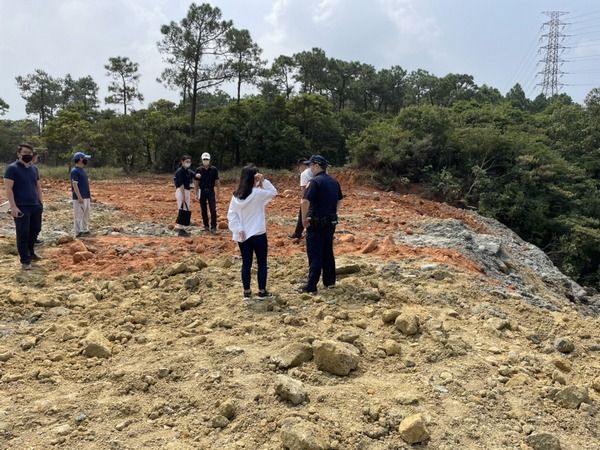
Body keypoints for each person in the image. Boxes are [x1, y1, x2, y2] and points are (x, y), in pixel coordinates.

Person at [227, 164, 278, 300]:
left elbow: (231, 215)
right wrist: (264, 181)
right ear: (254, 177)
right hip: (258, 233)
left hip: (243, 235)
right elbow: (274, 192)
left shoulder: (236, 196)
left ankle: (247, 292)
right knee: (262, 263)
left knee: (246, 263)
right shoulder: (258, 194)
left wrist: (238, 229)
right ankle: (262, 292)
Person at [299, 155, 343, 294]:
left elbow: (304, 201)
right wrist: (332, 211)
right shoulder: (334, 181)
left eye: (310, 165)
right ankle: (329, 282)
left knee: (315, 254)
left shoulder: (314, 182)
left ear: (316, 166)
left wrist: (304, 219)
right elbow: (340, 200)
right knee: (327, 252)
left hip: (316, 222)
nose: (309, 168)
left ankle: (311, 285)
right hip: (330, 222)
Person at [3, 143, 44, 270]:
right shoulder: (12, 168)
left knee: (35, 230)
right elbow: (8, 189)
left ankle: (30, 252)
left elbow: (38, 186)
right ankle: (25, 260)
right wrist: (13, 206)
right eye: (25, 152)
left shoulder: (34, 169)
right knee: (23, 233)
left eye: (30, 153)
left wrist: (41, 203)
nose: (27, 155)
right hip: (21, 206)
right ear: (18, 154)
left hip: (35, 205)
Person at [194, 152, 220, 233]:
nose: (206, 160)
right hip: (202, 192)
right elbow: (196, 183)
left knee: (213, 209)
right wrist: (196, 193)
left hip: (211, 191)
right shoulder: (198, 170)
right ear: (202, 160)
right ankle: (206, 226)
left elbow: (217, 182)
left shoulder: (214, 169)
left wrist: (218, 193)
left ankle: (214, 226)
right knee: (203, 209)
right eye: (204, 159)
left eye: (207, 159)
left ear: (209, 160)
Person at [288, 158, 313, 241]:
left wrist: (303, 201)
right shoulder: (320, 171)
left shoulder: (304, 174)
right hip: (320, 199)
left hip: (308, 199)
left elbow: (304, 189)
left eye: (299, 167)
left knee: (302, 215)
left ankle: (297, 234)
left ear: (302, 165)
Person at [70, 151, 92, 237]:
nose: (86, 160)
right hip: (80, 197)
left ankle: (85, 229)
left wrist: (89, 196)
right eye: (85, 158)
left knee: (86, 214)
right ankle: (78, 232)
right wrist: (79, 197)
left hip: (86, 196)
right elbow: (74, 184)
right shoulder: (74, 171)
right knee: (79, 215)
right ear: (80, 159)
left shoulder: (82, 170)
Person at [174, 155, 194, 237]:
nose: (188, 163)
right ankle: (180, 229)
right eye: (186, 161)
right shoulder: (180, 171)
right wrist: (183, 196)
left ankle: (183, 227)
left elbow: (194, 174)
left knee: (185, 209)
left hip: (186, 191)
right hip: (182, 191)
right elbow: (181, 184)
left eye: (189, 162)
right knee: (182, 208)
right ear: (182, 162)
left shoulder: (187, 171)